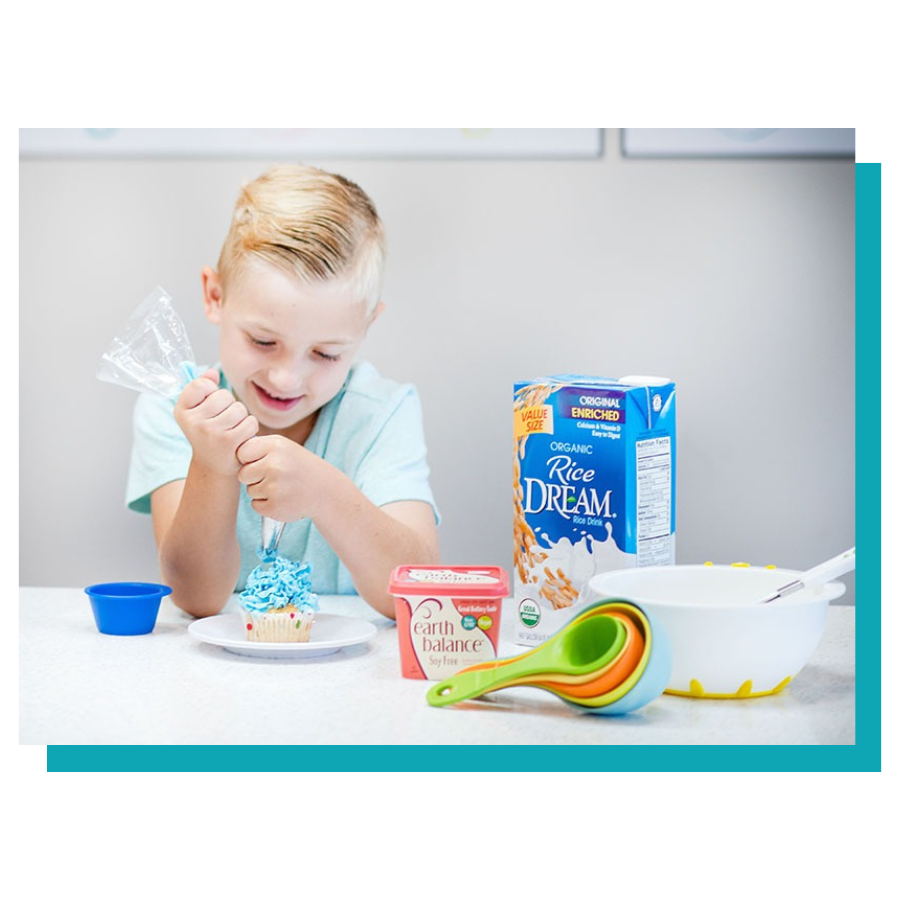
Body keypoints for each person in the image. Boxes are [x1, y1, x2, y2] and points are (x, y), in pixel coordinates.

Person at [126, 164, 440, 619]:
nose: (286, 379)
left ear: (367, 325)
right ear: (215, 296)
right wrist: (212, 465)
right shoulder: (181, 408)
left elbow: (416, 592)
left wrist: (326, 494)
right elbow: (195, 597)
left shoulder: (382, 413)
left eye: (326, 353)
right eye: (263, 342)